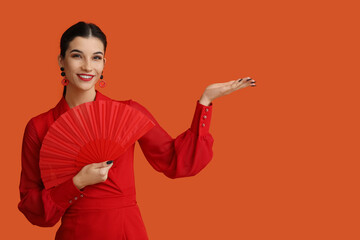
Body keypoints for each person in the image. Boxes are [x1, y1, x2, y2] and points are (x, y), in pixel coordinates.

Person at [18, 21, 256, 240]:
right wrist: (78, 181)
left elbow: (175, 160)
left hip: (126, 230)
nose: (88, 66)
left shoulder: (129, 112)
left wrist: (205, 102)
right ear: (61, 60)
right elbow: (33, 208)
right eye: (77, 56)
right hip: (75, 232)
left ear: (104, 64)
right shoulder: (39, 127)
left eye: (97, 57)